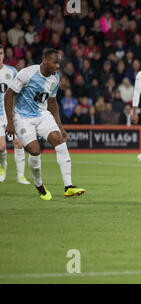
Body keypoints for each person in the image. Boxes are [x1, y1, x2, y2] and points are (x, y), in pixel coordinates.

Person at [4, 49, 85, 200]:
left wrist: (60, 127)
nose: (58, 66)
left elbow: (52, 103)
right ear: (45, 61)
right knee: (34, 150)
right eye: (55, 62)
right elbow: (9, 95)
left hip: (42, 114)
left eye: (59, 63)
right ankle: (39, 185)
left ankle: (69, 186)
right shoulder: (27, 74)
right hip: (22, 117)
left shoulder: (55, 79)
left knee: (59, 140)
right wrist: (10, 122)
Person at [0, 46, 30, 184]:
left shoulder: (11, 71)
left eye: (0, 53)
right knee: (1, 147)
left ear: (4, 55)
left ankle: (20, 176)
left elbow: (19, 91)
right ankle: (2, 166)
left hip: (10, 114)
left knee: (18, 143)